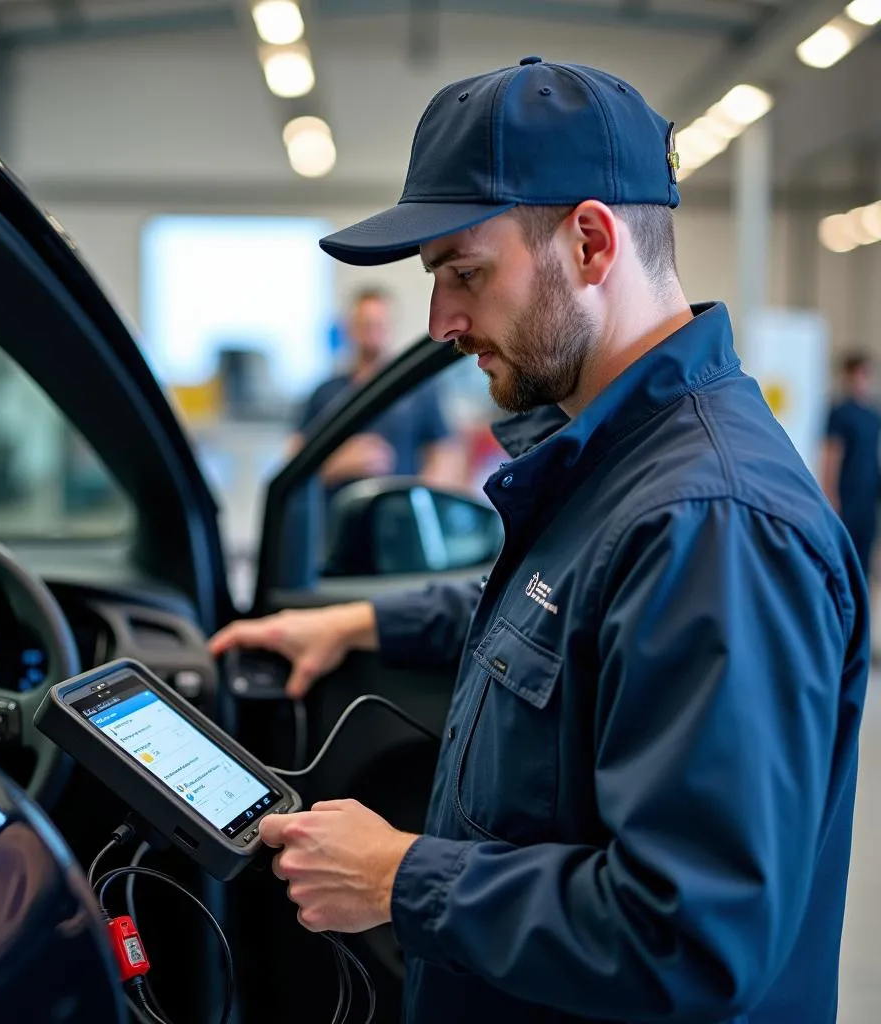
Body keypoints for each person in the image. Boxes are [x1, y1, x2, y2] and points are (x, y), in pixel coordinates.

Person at [210, 57, 869, 1024]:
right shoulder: (617, 463)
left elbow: (690, 938)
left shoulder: (714, 524)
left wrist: (402, 878)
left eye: (464, 273)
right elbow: (560, 613)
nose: (442, 322)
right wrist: (356, 622)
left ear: (591, 242)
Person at [291, 287, 465, 500]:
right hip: (336, 521)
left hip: (396, 517)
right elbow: (293, 464)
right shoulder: (325, 392)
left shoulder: (417, 388)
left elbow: (445, 454)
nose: (373, 331)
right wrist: (338, 463)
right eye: (365, 324)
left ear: (391, 327)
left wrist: (420, 501)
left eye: (379, 324)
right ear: (350, 328)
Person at [821, 352, 881, 577]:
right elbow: (831, 454)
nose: (865, 380)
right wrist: (831, 495)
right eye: (861, 374)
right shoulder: (840, 413)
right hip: (847, 495)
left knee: (866, 555)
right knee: (845, 556)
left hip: (869, 496)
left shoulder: (874, 415)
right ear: (848, 376)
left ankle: (863, 604)